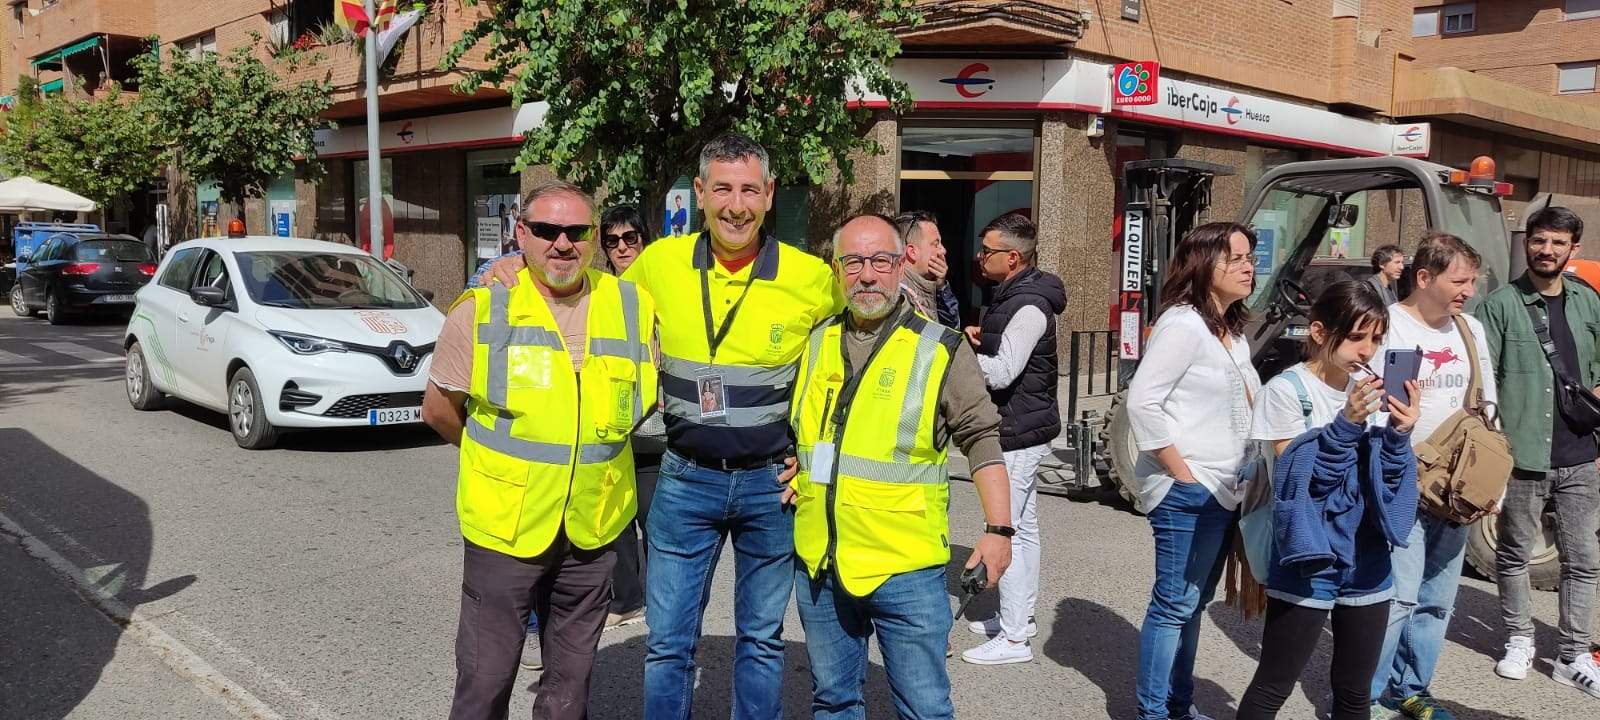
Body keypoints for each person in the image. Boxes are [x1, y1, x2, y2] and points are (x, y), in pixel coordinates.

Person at [485, 135, 838, 720]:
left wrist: (818, 454)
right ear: (699, 192)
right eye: (721, 189)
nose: (736, 206)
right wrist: (517, 267)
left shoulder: (812, 277)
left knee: (761, 639)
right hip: (685, 478)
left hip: (770, 484)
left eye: (749, 190)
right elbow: (582, 291)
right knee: (669, 643)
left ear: (770, 194)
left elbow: (847, 364)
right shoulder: (658, 264)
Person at [421, 180, 657, 720]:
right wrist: (495, 462)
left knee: (570, 689)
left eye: (576, 231)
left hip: (592, 528)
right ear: (521, 233)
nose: (563, 243)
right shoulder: (483, 307)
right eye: (547, 230)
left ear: (594, 237)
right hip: (505, 528)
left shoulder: (632, 305)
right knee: (485, 681)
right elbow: (438, 410)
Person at [786, 213, 1014, 719]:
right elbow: (809, 431)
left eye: (880, 261)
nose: (867, 275)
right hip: (823, 562)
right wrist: (795, 468)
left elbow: (981, 438)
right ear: (836, 269)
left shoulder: (940, 348)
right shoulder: (816, 343)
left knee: (924, 709)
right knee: (833, 701)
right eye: (853, 262)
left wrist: (999, 530)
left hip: (905, 569)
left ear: (899, 265)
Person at [1236, 281, 1422, 720]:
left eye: (1376, 339)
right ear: (1319, 332)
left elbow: (1386, 484)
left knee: (1355, 693)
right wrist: (1346, 424)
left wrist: (1400, 434)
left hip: (1368, 557)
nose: (1367, 350)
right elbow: (1302, 484)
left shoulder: (1370, 392)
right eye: (1356, 336)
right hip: (1309, 555)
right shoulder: (1285, 391)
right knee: (1274, 685)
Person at [1125, 221, 1260, 720]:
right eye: (1235, 258)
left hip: (1224, 488)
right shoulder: (1183, 324)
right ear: (1204, 265)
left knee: (1192, 604)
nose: (1248, 267)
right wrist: (1182, 474)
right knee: (1172, 605)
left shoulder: (1230, 331)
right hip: (1189, 489)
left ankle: (1179, 707)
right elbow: (1142, 403)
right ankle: (1154, 713)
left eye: (1250, 257)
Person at [1369, 232, 1498, 720]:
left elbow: (1487, 403)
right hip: (1403, 481)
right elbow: (1370, 404)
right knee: (1398, 598)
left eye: (1472, 281)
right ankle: (1368, 697)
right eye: (1459, 281)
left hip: (1460, 485)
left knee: (1438, 600)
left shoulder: (1470, 329)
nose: (1469, 290)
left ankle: (1410, 688)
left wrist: (1494, 483)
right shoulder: (1387, 327)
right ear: (1423, 277)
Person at [1478, 207, 1600, 699]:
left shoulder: (1588, 302)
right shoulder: (1500, 305)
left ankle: (1573, 655)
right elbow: (1484, 384)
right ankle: (1519, 639)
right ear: (1526, 243)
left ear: (1573, 249)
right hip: (1522, 453)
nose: (1546, 250)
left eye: (1557, 242)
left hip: (1581, 454)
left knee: (1584, 559)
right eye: (1539, 240)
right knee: (1513, 554)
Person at [959, 213, 1067, 666]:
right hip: (1023, 424)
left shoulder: (1028, 306)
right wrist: (982, 340)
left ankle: (1015, 637)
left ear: (1012, 258)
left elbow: (1003, 372)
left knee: (1009, 532)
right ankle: (1019, 617)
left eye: (987, 250)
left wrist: (959, 357)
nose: (979, 256)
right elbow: (1006, 353)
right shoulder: (1013, 296)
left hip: (1018, 431)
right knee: (1025, 528)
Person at [596, 205, 661, 631]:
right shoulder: (599, 293)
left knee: (656, 522)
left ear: (643, 239)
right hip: (612, 427)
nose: (622, 247)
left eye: (630, 238)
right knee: (616, 521)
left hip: (656, 429)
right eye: (612, 241)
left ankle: (661, 601)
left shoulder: (661, 292)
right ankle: (626, 599)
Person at [892, 210, 961, 327]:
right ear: (912, 252)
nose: (943, 250)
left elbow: (949, 330)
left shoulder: (926, 287)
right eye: (936, 244)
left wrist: (941, 288)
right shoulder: (899, 300)